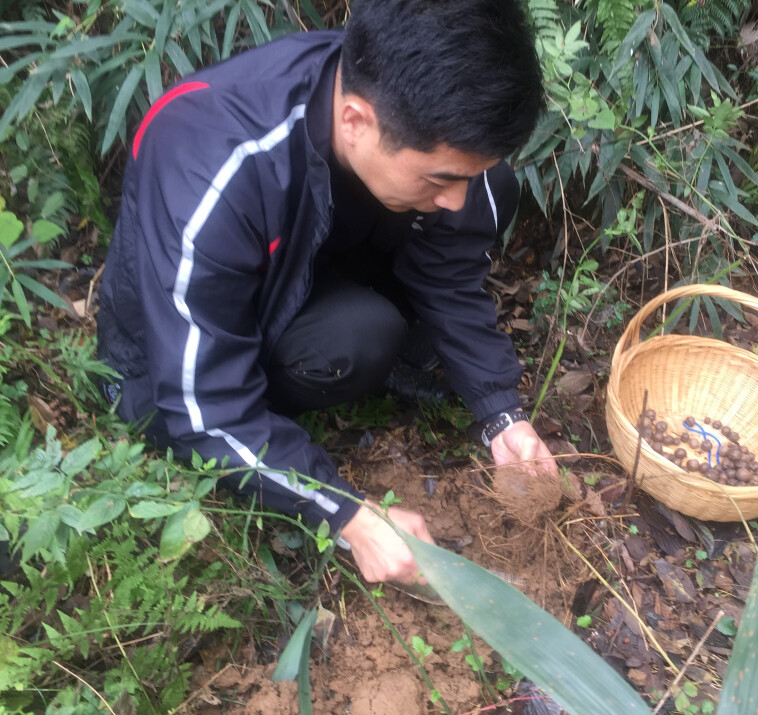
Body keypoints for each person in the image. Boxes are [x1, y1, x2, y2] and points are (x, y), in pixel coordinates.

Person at [96, 0, 557, 585]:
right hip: (170, 363)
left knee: (494, 190)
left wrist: (501, 413)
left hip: (308, 269)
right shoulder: (211, 160)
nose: (455, 198)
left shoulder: (402, 104)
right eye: (441, 179)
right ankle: (305, 394)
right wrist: (344, 514)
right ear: (356, 121)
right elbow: (201, 407)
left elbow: (451, 269)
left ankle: (369, 350)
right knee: (360, 338)